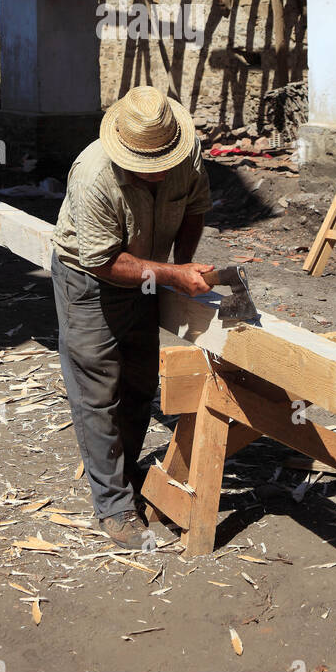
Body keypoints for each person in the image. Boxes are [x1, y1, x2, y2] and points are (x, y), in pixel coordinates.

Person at [50, 85, 214, 549]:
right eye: (148, 169)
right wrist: (172, 274)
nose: (159, 174)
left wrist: (183, 268)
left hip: (147, 272)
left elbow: (195, 209)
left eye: (163, 165)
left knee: (140, 381)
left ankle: (127, 469)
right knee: (97, 390)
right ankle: (114, 506)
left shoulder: (186, 150)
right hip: (90, 279)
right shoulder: (94, 175)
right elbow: (102, 261)